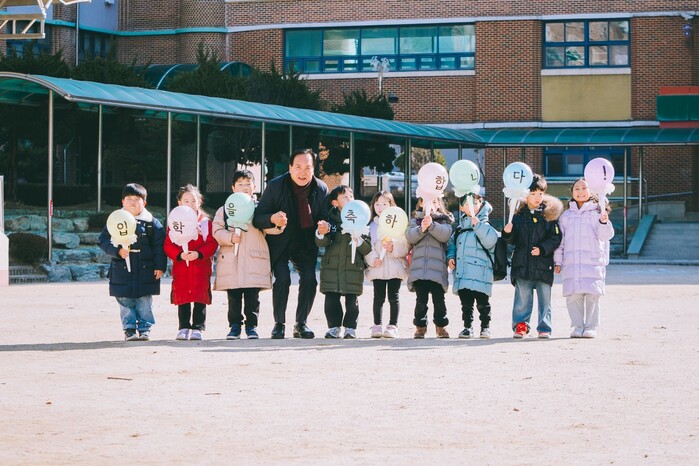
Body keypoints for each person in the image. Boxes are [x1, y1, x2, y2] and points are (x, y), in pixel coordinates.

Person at [252, 149, 329, 339]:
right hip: (280, 242)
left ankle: (301, 323)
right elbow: (258, 218)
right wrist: (272, 218)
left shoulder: (321, 188)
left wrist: (324, 226)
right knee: (283, 278)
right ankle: (279, 324)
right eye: (298, 167)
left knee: (310, 279)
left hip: (306, 242)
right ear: (290, 167)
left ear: (314, 169)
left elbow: (325, 217)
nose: (302, 172)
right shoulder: (275, 186)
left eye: (308, 168)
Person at [99, 183, 166, 341]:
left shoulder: (151, 223)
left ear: (144, 203)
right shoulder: (115, 220)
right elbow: (103, 241)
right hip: (121, 269)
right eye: (129, 199)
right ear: (122, 201)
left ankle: (144, 329)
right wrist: (117, 251)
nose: (133, 202)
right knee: (125, 300)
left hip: (145, 269)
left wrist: (160, 266)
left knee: (144, 300)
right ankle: (129, 329)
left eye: (137, 199)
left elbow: (159, 247)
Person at [213, 170, 272, 340]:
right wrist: (229, 237)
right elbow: (216, 230)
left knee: (253, 296)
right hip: (232, 259)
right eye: (240, 184)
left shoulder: (261, 208)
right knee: (234, 296)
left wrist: (278, 224)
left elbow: (271, 229)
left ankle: (252, 326)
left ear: (254, 187)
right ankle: (234, 326)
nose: (244, 187)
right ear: (233, 188)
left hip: (254, 259)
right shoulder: (225, 210)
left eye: (248, 184)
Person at [502, 174, 562, 339]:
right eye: (533, 193)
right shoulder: (518, 215)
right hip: (522, 263)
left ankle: (544, 326)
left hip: (543, 264)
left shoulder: (549, 216)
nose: (537, 197)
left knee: (545, 297)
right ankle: (520, 324)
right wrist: (508, 233)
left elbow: (556, 237)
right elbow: (512, 240)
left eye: (540, 194)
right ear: (525, 194)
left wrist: (542, 249)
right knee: (523, 296)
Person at [554, 178, 615, 339]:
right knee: (573, 296)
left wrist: (604, 222)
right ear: (572, 192)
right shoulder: (566, 216)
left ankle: (591, 327)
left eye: (584, 188)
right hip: (571, 262)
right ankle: (578, 326)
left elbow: (605, 236)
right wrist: (558, 261)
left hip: (593, 261)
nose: (580, 192)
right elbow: (560, 241)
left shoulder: (598, 213)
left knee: (592, 295)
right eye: (577, 189)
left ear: (591, 191)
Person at [314, 185, 372, 339]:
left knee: (352, 301)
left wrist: (358, 239)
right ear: (335, 203)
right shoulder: (329, 220)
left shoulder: (361, 220)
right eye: (344, 197)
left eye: (351, 196)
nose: (349, 199)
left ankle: (350, 328)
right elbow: (321, 243)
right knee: (331, 300)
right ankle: (333, 327)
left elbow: (367, 248)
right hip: (331, 268)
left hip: (353, 267)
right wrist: (321, 233)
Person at [163, 184, 218, 341]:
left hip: (200, 266)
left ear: (199, 202)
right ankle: (184, 326)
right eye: (186, 201)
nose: (190, 204)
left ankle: (198, 327)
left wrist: (199, 254)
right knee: (183, 297)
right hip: (182, 266)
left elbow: (212, 244)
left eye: (194, 201)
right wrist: (179, 255)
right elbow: (168, 244)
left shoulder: (205, 223)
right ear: (179, 202)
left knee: (200, 296)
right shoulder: (175, 223)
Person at [446, 193, 499, 339]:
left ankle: (485, 327)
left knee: (483, 303)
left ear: (481, 204)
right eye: (468, 204)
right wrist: (450, 257)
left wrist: (478, 225)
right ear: (462, 208)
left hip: (481, 271)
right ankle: (467, 327)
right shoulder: (460, 229)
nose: (472, 206)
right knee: (466, 303)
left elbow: (491, 241)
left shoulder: (485, 224)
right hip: (464, 272)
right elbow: (452, 244)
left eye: (475, 203)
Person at [406, 196, 454, 339]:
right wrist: (422, 228)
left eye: (434, 201)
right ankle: (420, 327)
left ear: (439, 204)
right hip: (419, 269)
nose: (430, 204)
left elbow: (445, 235)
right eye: (427, 201)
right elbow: (410, 237)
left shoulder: (444, 220)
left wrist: (432, 225)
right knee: (421, 300)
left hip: (437, 269)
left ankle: (441, 326)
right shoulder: (415, 221)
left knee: (439, 300)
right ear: (421, 203)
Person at [364, 191, 409, 339]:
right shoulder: (371, 226)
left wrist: (393, 248)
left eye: (384, 203)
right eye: (377, 204)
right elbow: (366, 247)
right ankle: (377, 325)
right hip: (378, 267)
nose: (380, 207)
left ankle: (392, 326)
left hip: (395, 267)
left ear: (391, 205)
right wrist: (373, 259)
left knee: (393, 297)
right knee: (378, 297)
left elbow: (405, 247)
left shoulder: (399, 224)